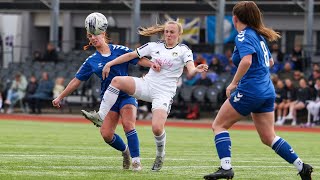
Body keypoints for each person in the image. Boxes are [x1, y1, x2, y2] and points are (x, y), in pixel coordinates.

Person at [203, 2, 313, 180]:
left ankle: (226, 168)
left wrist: (233, 84)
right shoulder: (258, 36)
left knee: (219, 125)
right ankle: (302, 167)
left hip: (251, 89)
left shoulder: (242, 36)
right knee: (269, 136)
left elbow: (246, 61)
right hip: (267, 89)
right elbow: (270, 63)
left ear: (235, 18)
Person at [86, 20, 208, 171]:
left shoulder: (184, 50)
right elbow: (130, 55)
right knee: (117, 81)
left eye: (172, 32)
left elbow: (190, 69)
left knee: (157, 128)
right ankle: (100, 116)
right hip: (147, 85)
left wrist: (197, 69)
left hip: (164, 93)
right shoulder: (154, 46)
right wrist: (109, 64)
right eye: (167, 31)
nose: (168, 34)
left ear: (179, 34)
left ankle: (160, 155)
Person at [52, 13, 160, 171]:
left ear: (103, 34)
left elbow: (138, 59)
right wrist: (60, 97)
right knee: (106, 135)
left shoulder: (120, 50)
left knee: (129, 125)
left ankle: (136, 161)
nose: (93, 38)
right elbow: (76, 80)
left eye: (95, 34)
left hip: (126, 95)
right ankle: (126, 152)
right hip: (109, 100)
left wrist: (152, 65)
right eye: (90, 36)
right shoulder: (91, 61)